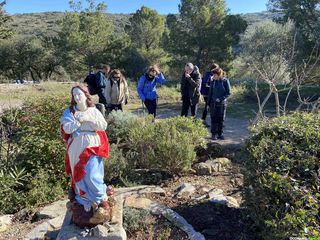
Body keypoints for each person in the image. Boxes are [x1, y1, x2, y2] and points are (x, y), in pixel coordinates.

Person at [60, 85, 112, 228]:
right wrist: (80, 121)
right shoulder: (69, 112)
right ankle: (84, 202)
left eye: (79, 94)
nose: (77, 97)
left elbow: (102, 125)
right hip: (75, 148)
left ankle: (101, 199)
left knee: (92, 174)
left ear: (85, 94)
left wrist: (88, 118)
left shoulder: (93, 111)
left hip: (92, 146)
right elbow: (67, 128)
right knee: (79, 177)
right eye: (74, 95)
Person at [207, 64, 231, 140]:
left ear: (219, 74)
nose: (213, 76)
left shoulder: (225, 81)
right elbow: (210, 93)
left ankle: (220, 134)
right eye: (212, 75)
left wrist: (221, 99)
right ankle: (213, 134)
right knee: (213, 119)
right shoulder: (213, 81)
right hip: (213, 104)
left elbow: (228, 93)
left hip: (222, 104)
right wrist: (207, 104)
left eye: (214, 75)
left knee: (221, 119)